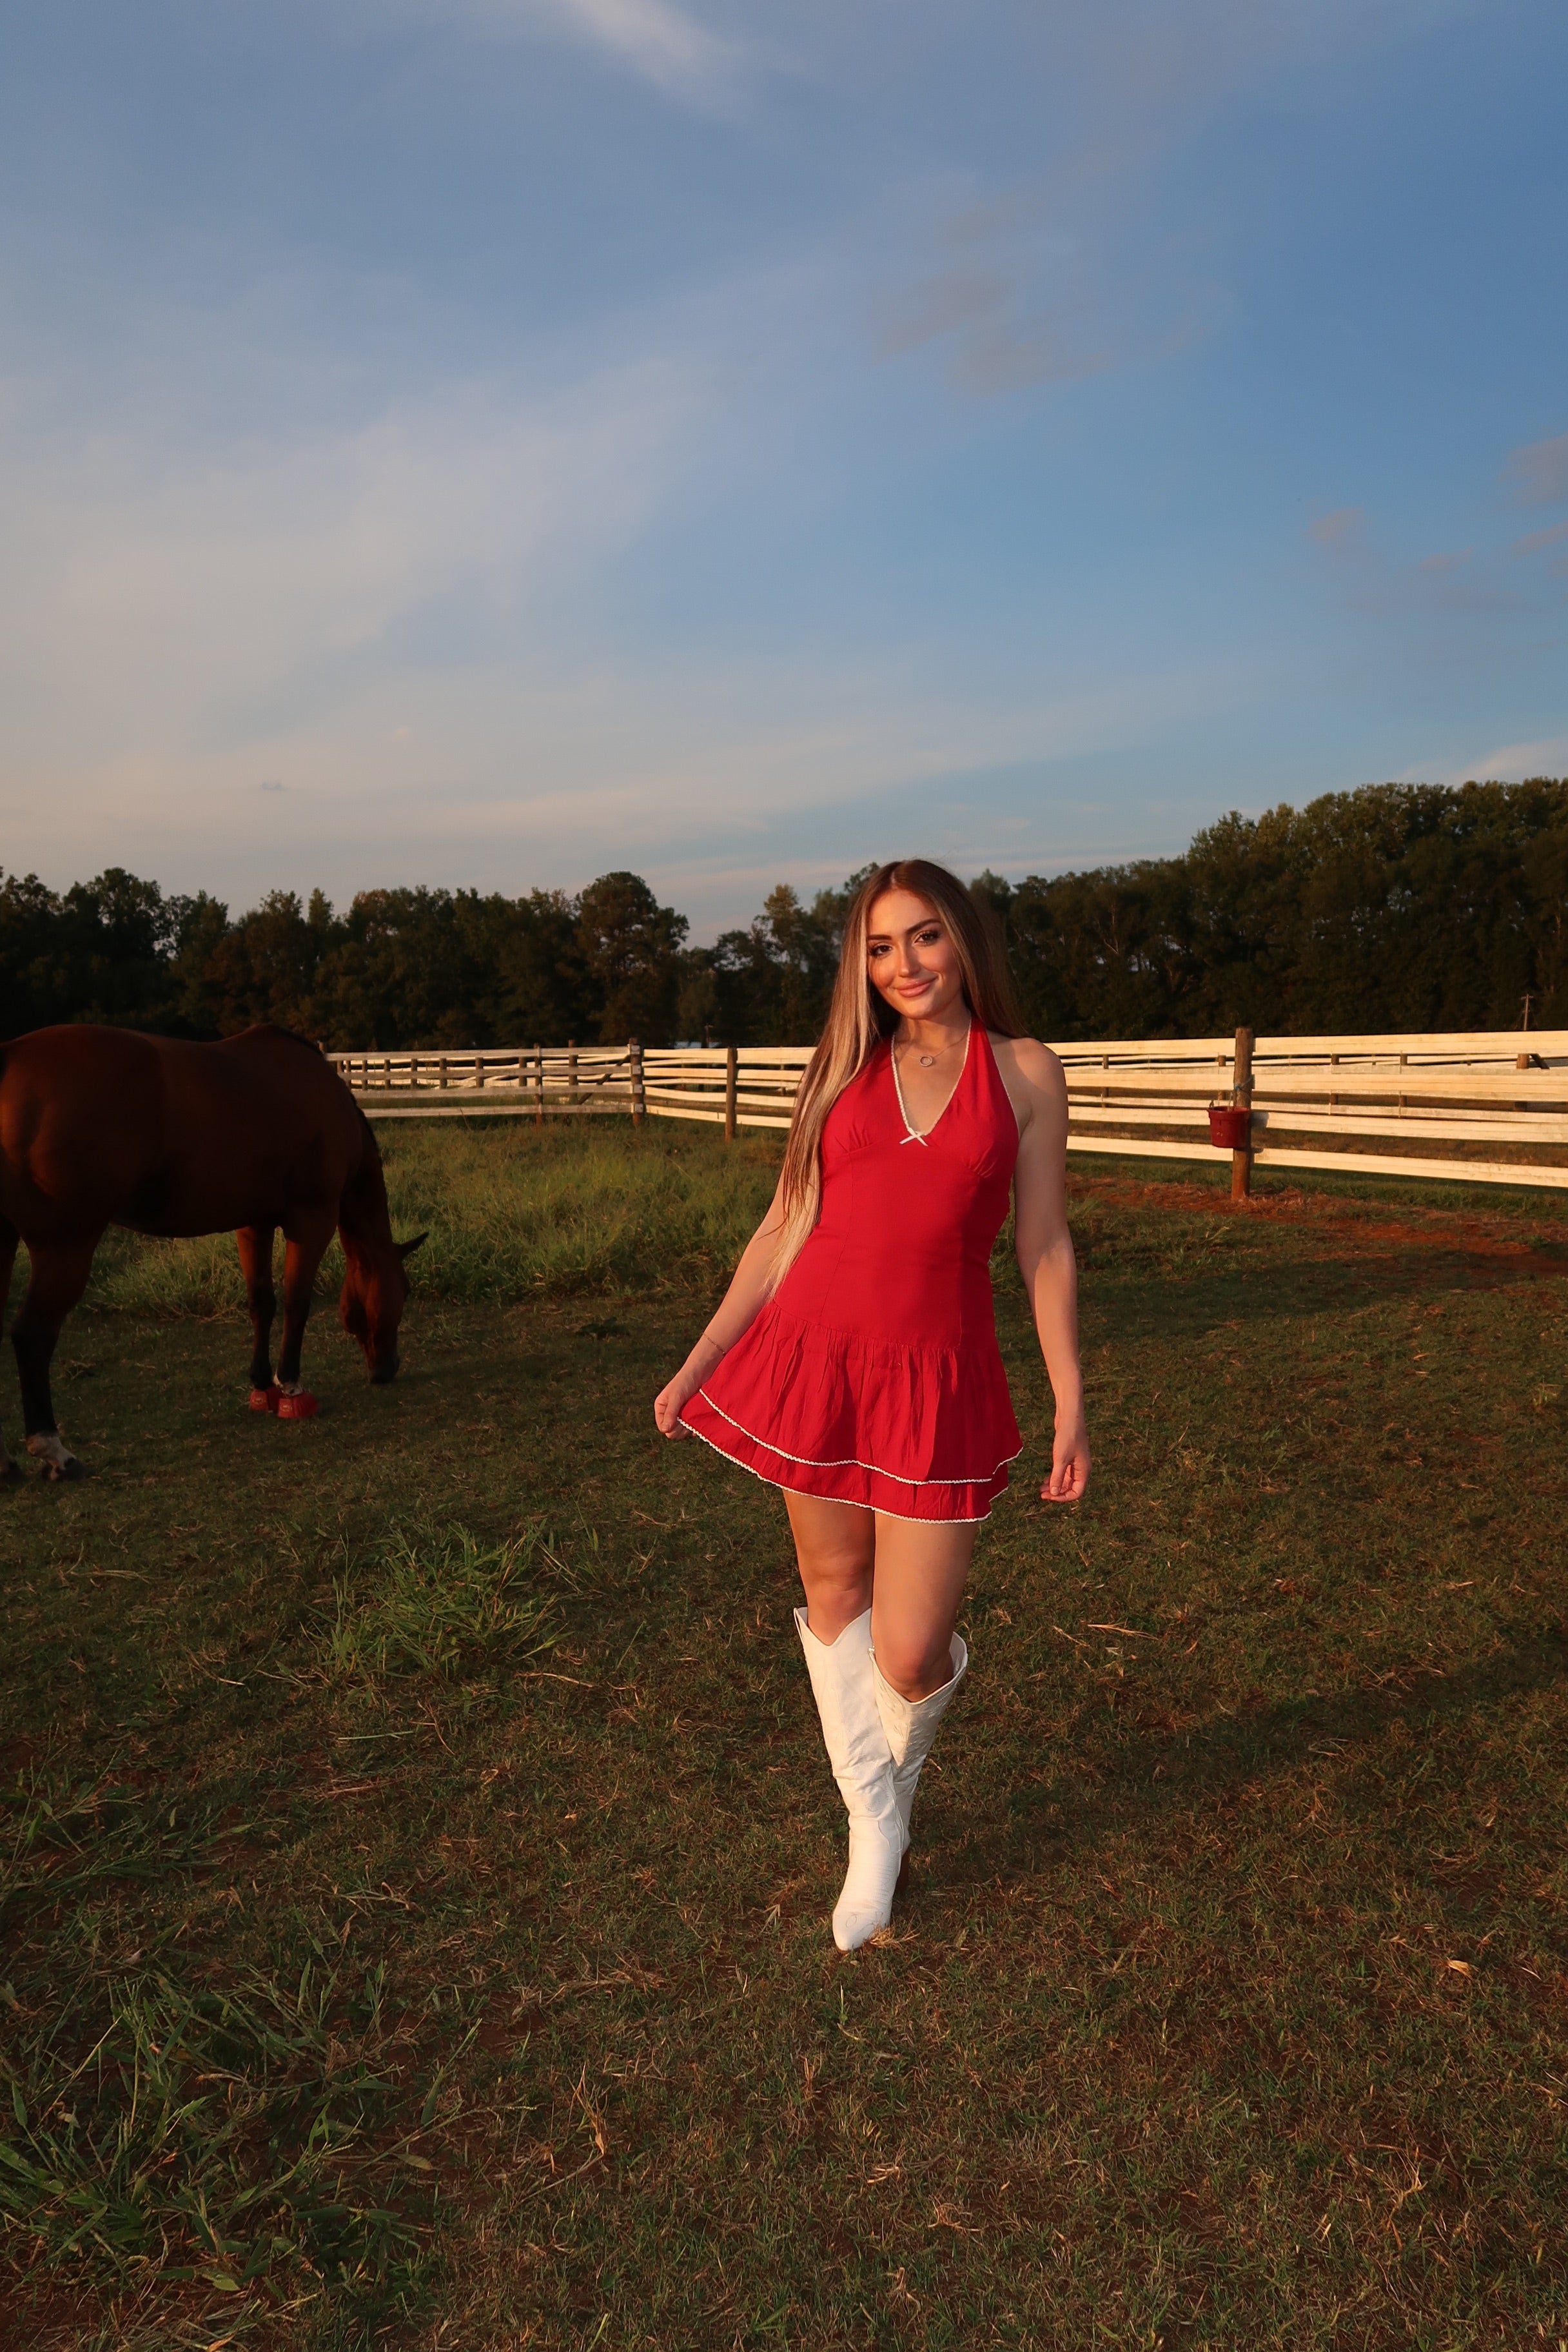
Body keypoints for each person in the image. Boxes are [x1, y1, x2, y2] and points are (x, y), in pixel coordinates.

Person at [653, 859, 1088, 1951]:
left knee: (907, 1652)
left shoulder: (1027, 1071)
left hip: (938, 1376)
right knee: (834, 1590)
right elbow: (782, 1222)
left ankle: (891, 1788)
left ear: (967, 943)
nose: (906, 966)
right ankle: (874, 1826)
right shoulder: (840, 1069)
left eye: (927, 938)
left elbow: (1042, 1245)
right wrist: (703, 1354)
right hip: (816, 1358)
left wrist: (1072, 1399)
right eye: (882, 947)